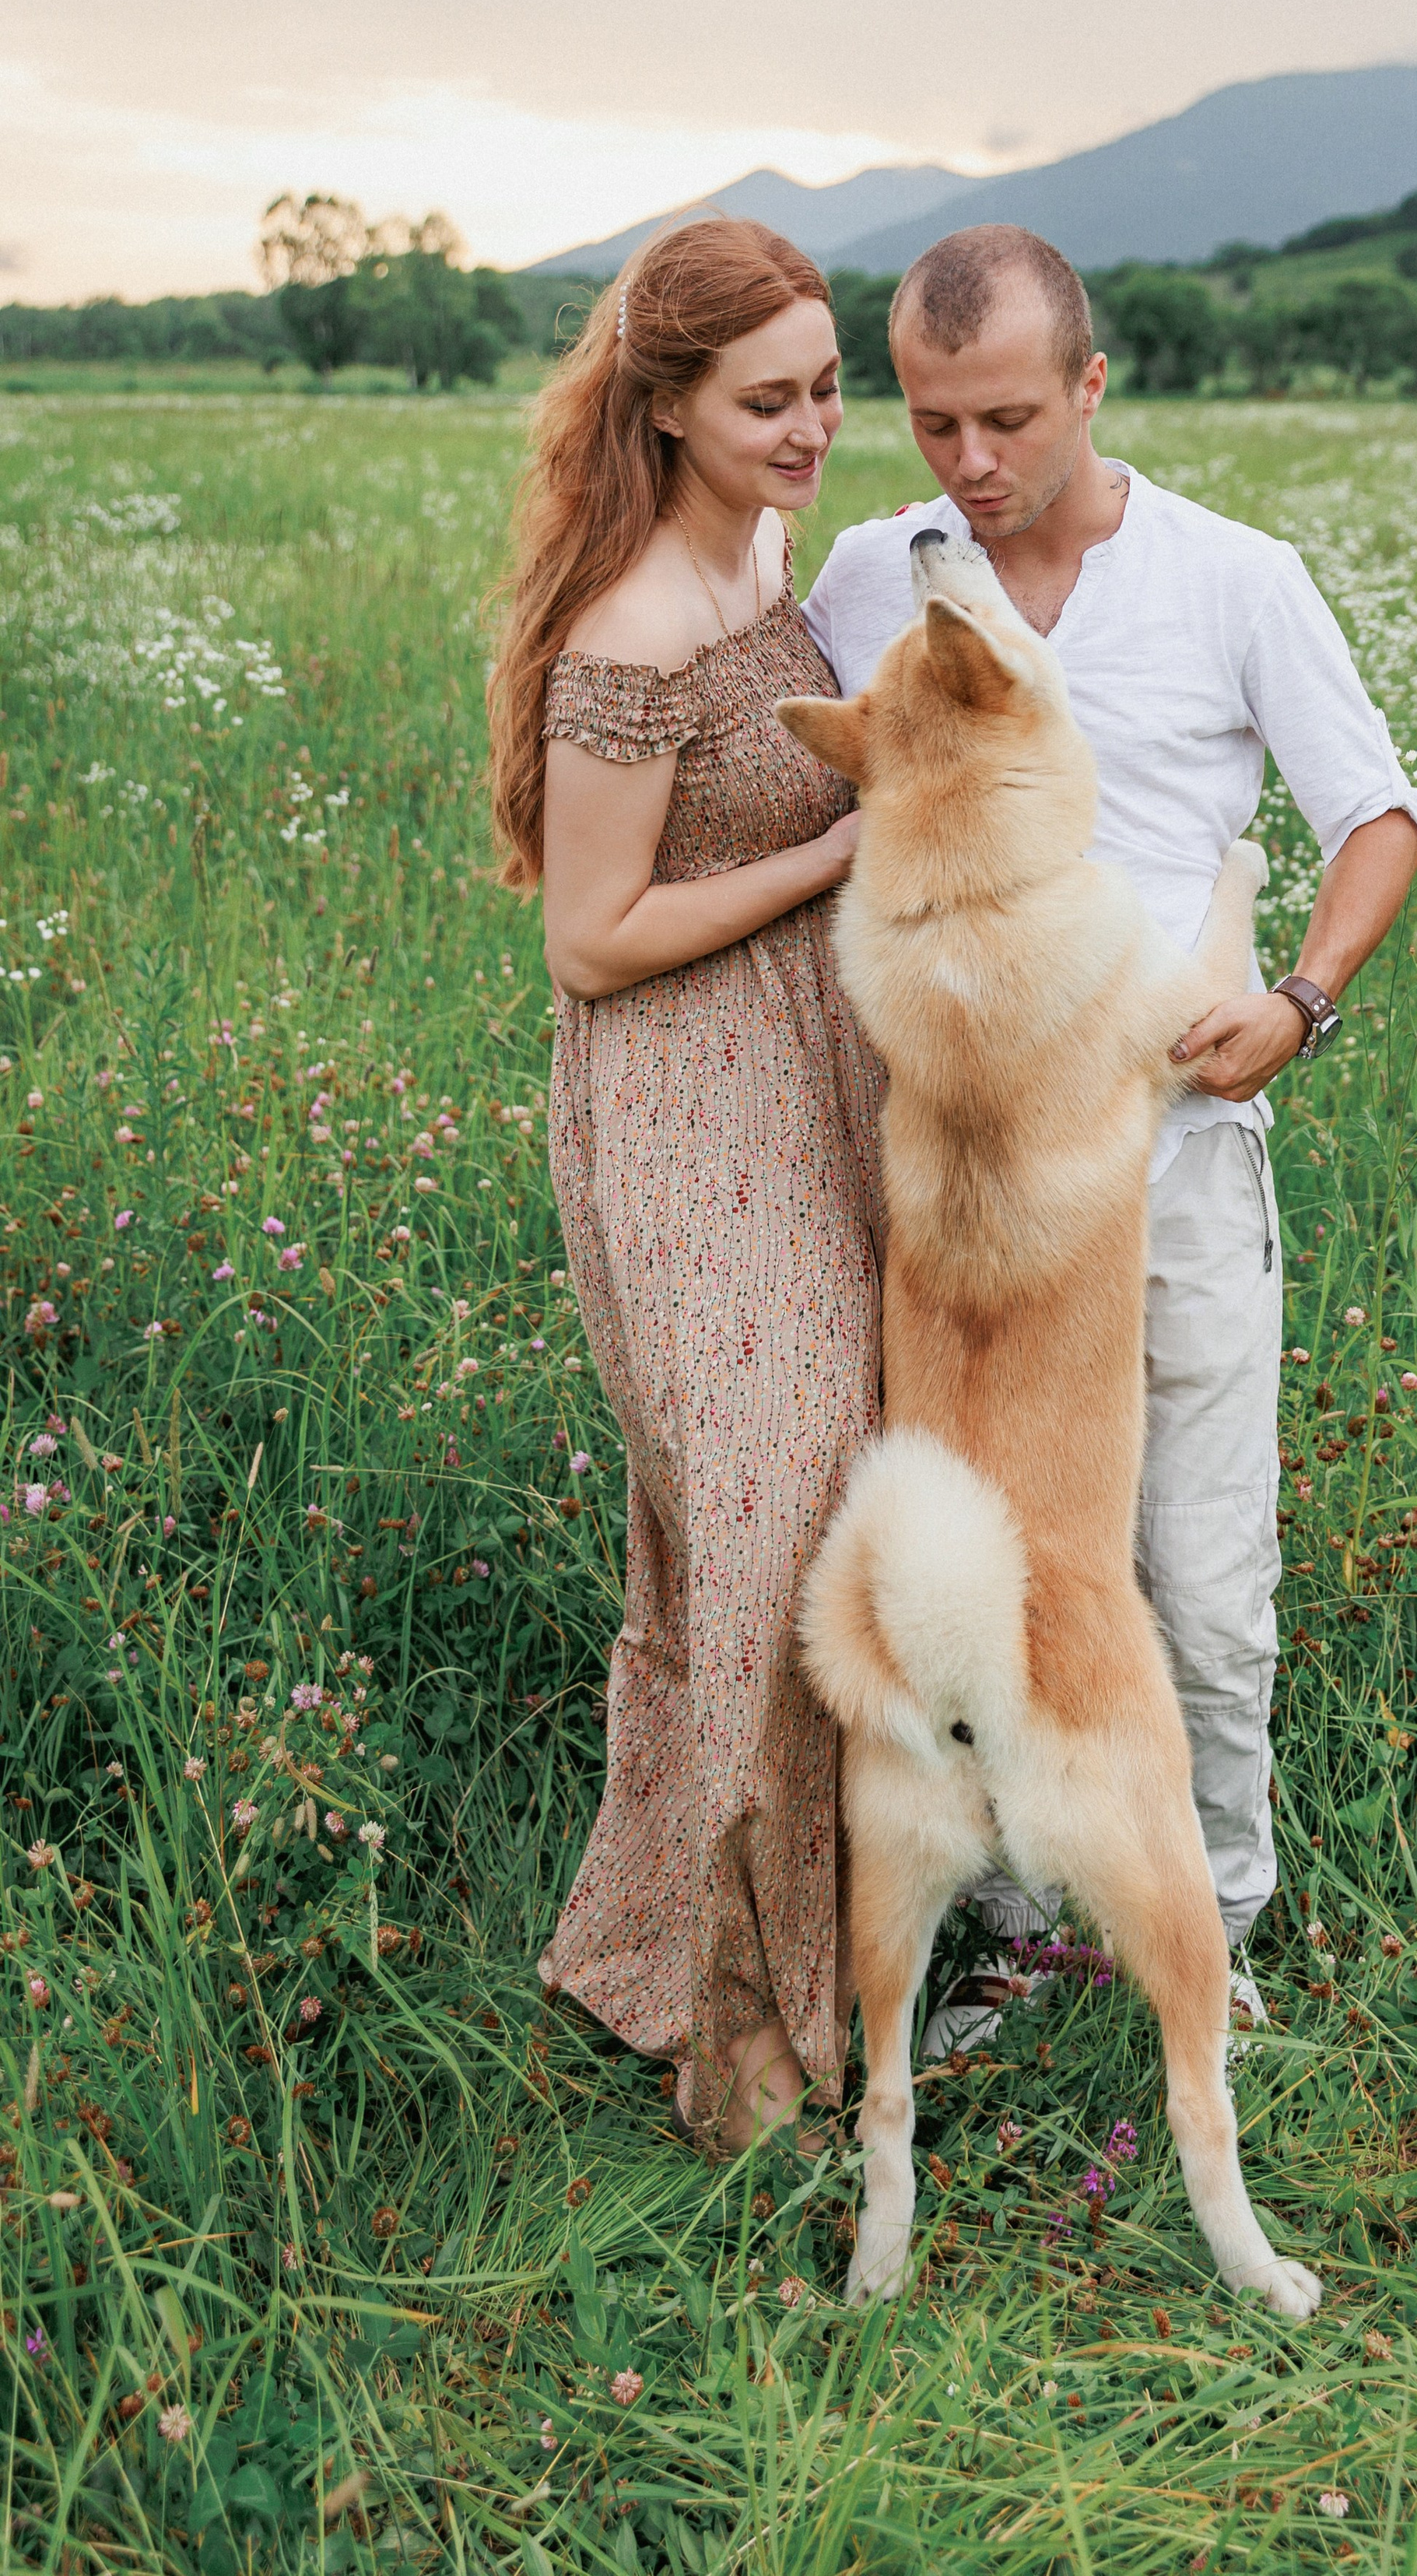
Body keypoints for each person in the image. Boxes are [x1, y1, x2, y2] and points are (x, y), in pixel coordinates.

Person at [801, 224, 1417, 2034]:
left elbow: (1374, 816)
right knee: (983, 1577)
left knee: (1201, 1583)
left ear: (1089, 384)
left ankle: (1210, 1927)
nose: (970, 463)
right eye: (931, 424)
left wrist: (1298, 1000)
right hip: (965, 1196)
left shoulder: (1232, 578)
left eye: (1005, 419)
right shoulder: (870, 574)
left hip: (1169, 1167)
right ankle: (1005, 1934)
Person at [486, 217, 883, 2150]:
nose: (811, 429)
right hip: (678, 1112)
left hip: (816, 1089)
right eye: (767, 401)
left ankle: (759, 1962)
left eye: (827, 386)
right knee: (764, 1525)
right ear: (665, 407)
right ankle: (740, 2044)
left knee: (809, 1526)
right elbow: (590, 938)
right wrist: (839, 854)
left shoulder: (769, 550)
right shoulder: (629, 629)